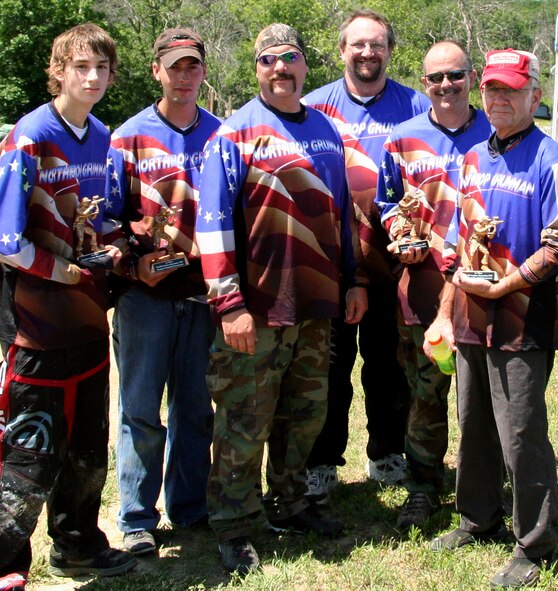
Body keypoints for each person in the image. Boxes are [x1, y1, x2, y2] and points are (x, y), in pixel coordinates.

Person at [195, 23, 368, 575]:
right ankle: (234, 525)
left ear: (304, 65)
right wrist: (229, 304)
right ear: (257, 69)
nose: (280, 69)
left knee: (304, 416)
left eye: (289, 58)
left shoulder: (325, 129)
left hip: (317, 306)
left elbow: (341, 215)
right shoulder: (233, 133)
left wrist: (355, 280)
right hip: (257, 310)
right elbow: (213, 225)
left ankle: (292, 505)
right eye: (268, 60)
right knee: (245, 423)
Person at [0, 23, 136, 591]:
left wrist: (114, 244)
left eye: (101, 69)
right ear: (59, 71)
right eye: (80, 67)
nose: (92, 78)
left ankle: (78, 546)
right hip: (33, 323)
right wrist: (55, 268)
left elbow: (103, 215)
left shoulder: (101, 137)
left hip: (89, 314)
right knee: (26, 448)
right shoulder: (29, 136)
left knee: (88, 445)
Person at [425, 49, 558, 589]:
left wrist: (506, 285)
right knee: (474, 424)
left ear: (535, 96)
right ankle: (477, 518)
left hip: (522, 315)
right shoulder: (470, 158)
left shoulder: (551, 159)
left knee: (520, 432)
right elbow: (453, 242)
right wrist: (446, 310)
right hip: (470, 313)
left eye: (511, 90)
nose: (499, 99)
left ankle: (534, 544)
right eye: (492, 89)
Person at [303, 9, 431, 503]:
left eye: (377, 44)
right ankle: (322, 460)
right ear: (341, 51)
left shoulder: (417, 107)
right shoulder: (314, 110)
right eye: (358, 44)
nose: (367, 53)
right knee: (329, 368)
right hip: (330, 266)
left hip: (392, 264)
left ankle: (386, 451)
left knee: (388, 364)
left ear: (389, 51)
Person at [106, 28, 220, 556]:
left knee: (195, 408)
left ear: (202, 71)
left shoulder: (220, 134)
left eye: (192, 66)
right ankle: (135, 518)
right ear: (156, 70)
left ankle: (190, 507)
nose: (183, 76)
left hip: (202, 293)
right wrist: (133, 267)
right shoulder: (127, 137)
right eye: (174, 66)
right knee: (141, 410)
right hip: (144, 298)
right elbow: (102, 223)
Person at [374, 40, 491, 529]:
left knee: (483, 398)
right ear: (424, 84)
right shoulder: (401, 139)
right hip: (422, 291)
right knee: (425, 395)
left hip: (486, 292)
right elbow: (387, 203)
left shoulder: (498, 129)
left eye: (455, 75)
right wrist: (400, 234)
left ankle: (483, 489)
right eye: (435, 78)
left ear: (471, 77)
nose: (446, 86)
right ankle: (423, 485)